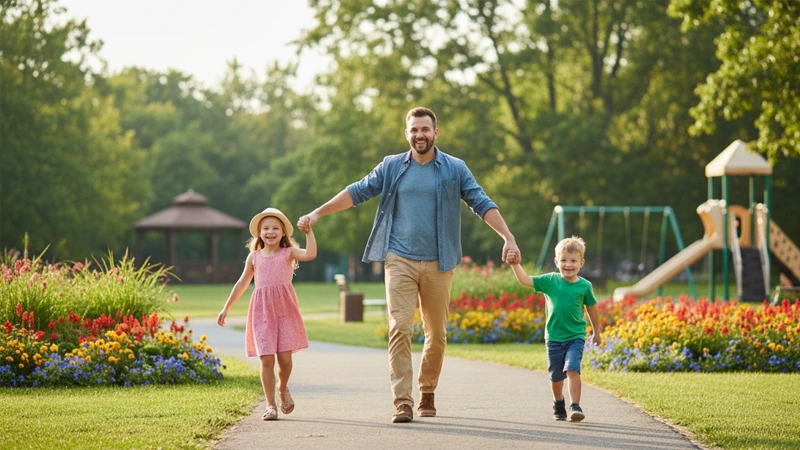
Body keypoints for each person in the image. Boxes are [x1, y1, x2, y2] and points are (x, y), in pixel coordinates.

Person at [298, 107, 520, 423]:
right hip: (398, 259)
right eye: (414, 129)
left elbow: (481, 202)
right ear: (407, 133)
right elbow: (358, 191)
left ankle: (427, 391)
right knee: (400, 327)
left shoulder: (454, 169)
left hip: (440, 262)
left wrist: (507, 237)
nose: (420, 135)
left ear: (435, 133)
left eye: (425, 129)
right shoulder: (391, 166)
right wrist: (319, 212)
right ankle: (402, 401)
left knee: (437, 334)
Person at [218, 207, 316, 421]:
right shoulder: (254, 257)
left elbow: (310, 254)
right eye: (265, 228)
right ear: (259, 233)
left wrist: (309, 232)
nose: (270, 232)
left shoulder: (287, 253)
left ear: (283, 233)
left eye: (275, 228)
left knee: (285, 361)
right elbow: (242, 283)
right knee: (266, 359)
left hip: (285, 311)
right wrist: (226, 308)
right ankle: (271, 405)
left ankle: (282, 388)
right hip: (262, 312)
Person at [509, 236, 601, 422]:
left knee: (573, 369)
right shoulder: (550, 281)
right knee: (556, 376)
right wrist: (515, 264)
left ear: (581, 263)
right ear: (556, 261)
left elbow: (591, 309)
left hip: (575, 336)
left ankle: (575, 405)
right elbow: (525, 280)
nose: (568, 265)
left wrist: (596, 331)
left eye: (573, 261)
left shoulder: (585, 286)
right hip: (554, 338)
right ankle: (558, 402)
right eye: (564, 260)